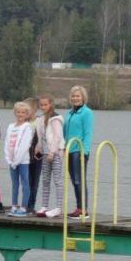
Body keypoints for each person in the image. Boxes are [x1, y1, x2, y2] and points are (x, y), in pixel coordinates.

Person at [64, 85, 94, 218]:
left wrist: (85, 151)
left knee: (79, 180)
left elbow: (88, 133)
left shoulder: (87, 113)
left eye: (78, 96)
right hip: (69, 150)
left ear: (83, 98)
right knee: (73, 180)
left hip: (79, 150)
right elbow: (66, 133)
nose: (75, 98)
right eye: (73, 96)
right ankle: (78, 207)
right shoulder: (69, 113)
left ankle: (83, 210)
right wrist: (64, 147)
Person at [34, 94, 65, 218]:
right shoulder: (40, 119)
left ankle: (58, 207)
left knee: (57, 180)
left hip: (55, 153)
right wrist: (38, 147)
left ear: (51, 104)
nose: (43, 107)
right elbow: (41, 136)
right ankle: (44, 206)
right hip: (45, 154)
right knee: (45, 180)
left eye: (45, 105)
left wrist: (52, 152)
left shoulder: (55, 119)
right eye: (41, 105)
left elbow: (57, 136)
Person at [4, 101, 34, 217]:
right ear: (15, 113)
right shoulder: (11, 126)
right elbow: (7, 143)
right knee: (14, 183)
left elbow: (24, 145)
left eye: (23, 112)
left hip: (22, 161)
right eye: (18, 112)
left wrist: (16, 161)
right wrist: (9, 159)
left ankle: (23, 207)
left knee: (25, 183)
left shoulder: (27, 127)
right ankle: (14, 205)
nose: (20, 114)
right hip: (12, 162)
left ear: (26, 114)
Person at [24, 97, 42, 214]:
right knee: (26, 181)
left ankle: (31, 206)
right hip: (25, 157)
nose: (25, 113)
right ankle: (25, 204)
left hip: (37, 157)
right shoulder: (23, 123)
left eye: (27, 110)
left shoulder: (40, 122)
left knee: (34, 183)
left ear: (34, 109)